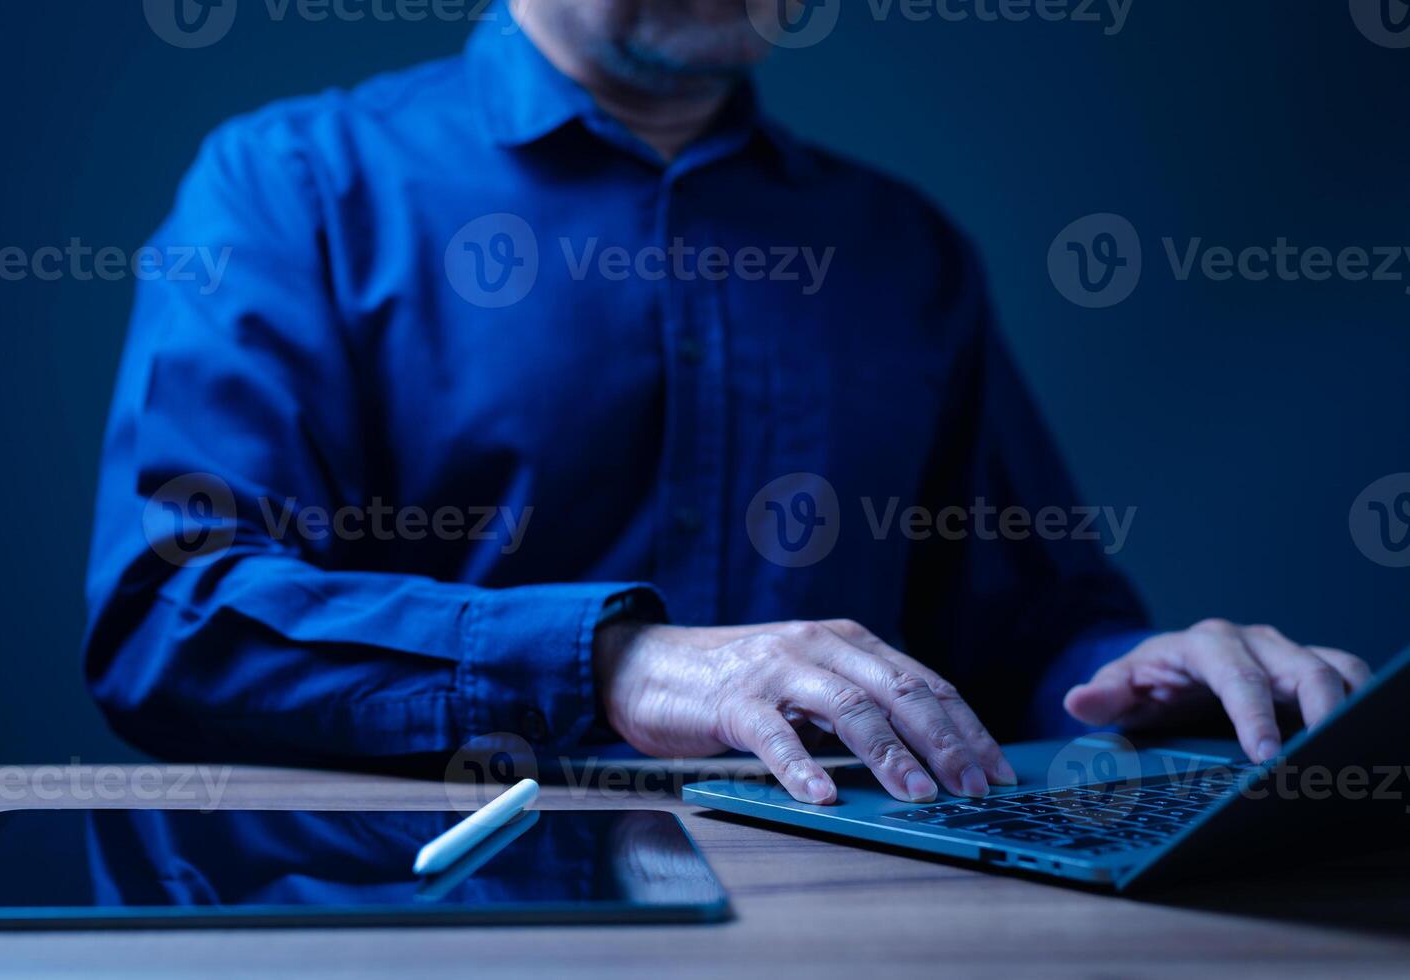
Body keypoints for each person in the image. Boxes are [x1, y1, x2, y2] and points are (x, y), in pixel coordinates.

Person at [83, 0, 1370, 804]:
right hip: (427, 922)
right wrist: (616, 661)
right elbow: (169, 614)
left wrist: (1137, 685)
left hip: (855, 922)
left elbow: (1030, 636)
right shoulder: (291, 181)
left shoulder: (903, 246)